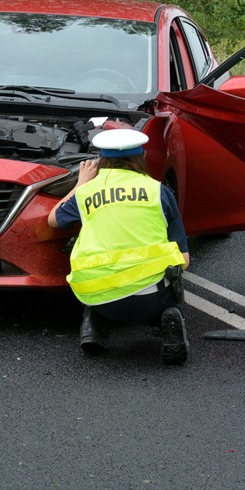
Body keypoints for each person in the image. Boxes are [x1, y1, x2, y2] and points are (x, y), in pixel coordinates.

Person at [47, 128, 191, 365]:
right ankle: (169, 319)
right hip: (152, 300)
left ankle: (91, 324)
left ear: (101, 160)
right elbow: (184, 259)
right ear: (141, 157)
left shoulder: (87, 193)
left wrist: (81, 183)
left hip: (98, 297)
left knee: (95, 273)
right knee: (174, 266)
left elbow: (53, 219)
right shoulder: (159, 191)